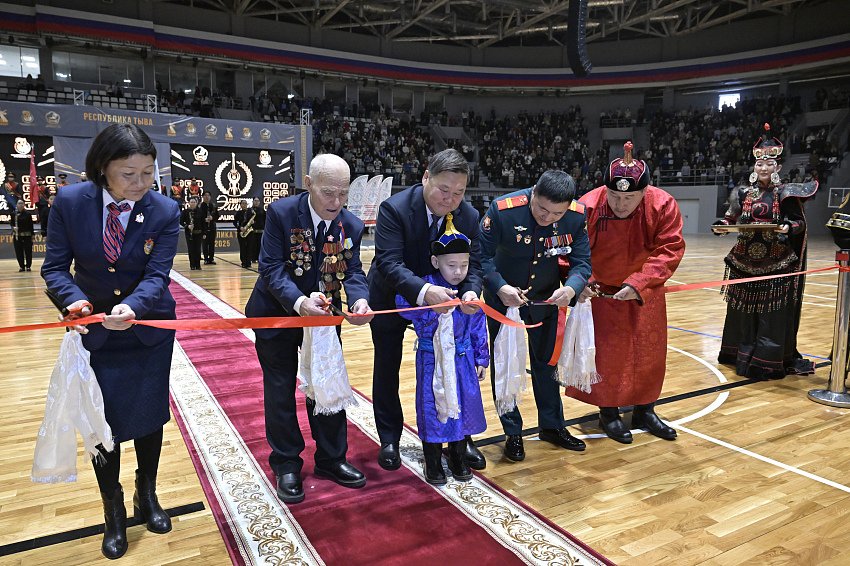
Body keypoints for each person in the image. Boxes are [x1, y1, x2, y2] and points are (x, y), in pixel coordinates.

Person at [40, 123, 180, 559]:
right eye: (128, 174)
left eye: (148, 173)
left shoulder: (164, 210)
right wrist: (76, 302)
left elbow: (157, 275)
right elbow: (55, 269)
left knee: (150, 417)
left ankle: (146, 494)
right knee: (105, 425)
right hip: (96, 331)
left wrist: (133, 306)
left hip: (148, 329)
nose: (140, 184)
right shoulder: (70, 203)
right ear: (102, 169)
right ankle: (113, 510)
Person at [244, 154, 374, 504]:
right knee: (280, 388)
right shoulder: (282, 213)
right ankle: (286, 463)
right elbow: (271, 268)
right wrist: (299, 302)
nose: (336, 201)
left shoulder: (350, 224)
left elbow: (354, 271)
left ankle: (332, 458)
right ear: (308, 183)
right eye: (328, 192)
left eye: (343, 193)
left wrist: (360, 300)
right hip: (278, 315)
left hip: (324, 320)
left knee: (327, 384)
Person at [368, 148, 486, 472]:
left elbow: (475, 265)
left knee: (458, 369)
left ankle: (462, 436)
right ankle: (390, 438)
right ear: (425, 178)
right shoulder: (394, 209)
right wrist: (423, 291)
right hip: (393, 298)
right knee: (387, 367)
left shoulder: (468, 216)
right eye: (444, 190)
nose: (450, 200)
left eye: (459, 192)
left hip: (447, 306)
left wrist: (471, 291)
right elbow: (389, 263)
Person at [568, 142, 685, 444]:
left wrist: (639, 282)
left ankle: (645, 409)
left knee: (649, 353)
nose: (620, 205)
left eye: (629, 198)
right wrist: (583, 281)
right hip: (601, 293)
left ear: (645, 191)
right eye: (615, 196)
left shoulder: (662, 204)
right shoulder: (588, 206)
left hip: (645, 292)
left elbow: (669, 249)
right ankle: (608, 412)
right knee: (606, 356)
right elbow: (573, 250)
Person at [480, 170, 591, 461]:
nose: (547, 217)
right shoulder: (504, 211)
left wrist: (572, 288)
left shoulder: (576, 216)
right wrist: (499, 286)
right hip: (503, 301)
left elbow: (582, 262)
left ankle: (552, 426)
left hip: (547, 300)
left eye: (557, 213)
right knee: (506, 364)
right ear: (533, 193)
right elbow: (481, 256)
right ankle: (512, 432)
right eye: (542, 208)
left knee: (547, 364)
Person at [712, 124, 818, 380]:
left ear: (777, 167)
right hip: (743, 260)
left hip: (776, 261)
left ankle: (766, 360)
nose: (763, 168)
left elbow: (799, 223)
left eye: (769, 164)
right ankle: (738, 353)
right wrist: (722, 226)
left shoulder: (786, 193)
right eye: (759, 164)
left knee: (772, 314)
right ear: (754, 167)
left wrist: (787, 227)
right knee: (741, 312)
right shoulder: (742, 192)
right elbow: (730, 217)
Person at [396, 216, 489, 485]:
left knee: (463, 403)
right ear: (436, 262)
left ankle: (457, 455)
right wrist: (426, 299)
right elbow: (402, 305)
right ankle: (433, 458)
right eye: (451, 265)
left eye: (464, 265)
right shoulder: (427, 286)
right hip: (432, 359)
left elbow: (478, 325)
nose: (458, 272)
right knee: (432, 406)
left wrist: (481, 357)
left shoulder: (468, 291)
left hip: (463, 358)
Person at [180, 197, 204, 270]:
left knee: (198, 249)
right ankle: (192, 265)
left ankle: (198, 265)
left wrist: (204, 232)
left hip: (198, 233)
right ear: (189, 203)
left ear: (196, 203)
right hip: (189, 233)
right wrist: (187, 226)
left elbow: (203, 223)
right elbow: (181, 221)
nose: (193, 203)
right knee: (191, 249)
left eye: (194, 202)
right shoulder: (185, 212)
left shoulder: (200, 211)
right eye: (191, 202)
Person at [10, 199, 34, 271]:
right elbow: (11, 223)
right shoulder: (13, 214)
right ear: (16, 205)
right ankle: (21, 266)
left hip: (27, 236)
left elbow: (31, 225)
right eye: (19, 203)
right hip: (17, 236)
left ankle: (28, 266)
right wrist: (13, 228)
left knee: (28, 251)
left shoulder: (28, 214)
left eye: (21, 203)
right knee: (19, 252)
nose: (20, 205)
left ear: (24, 205)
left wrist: (32, 235)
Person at [234, 199, 256, 268]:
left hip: (249, 231)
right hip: (241, 231)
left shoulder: (250, 212)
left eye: (245, 203)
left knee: (250, 247)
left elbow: (255, 221)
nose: (244, 205)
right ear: (240, 205)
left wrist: (253, 222)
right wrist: (240, 227)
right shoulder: (238, 213)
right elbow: (235, 222)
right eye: (243, 203)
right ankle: (243, 262)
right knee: (242, 247)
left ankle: (248, 262)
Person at [199, 191, 219, 265]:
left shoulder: (213, 206)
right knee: (205, 244)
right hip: (204, 228)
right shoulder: (200, 206)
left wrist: (212, 218)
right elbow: (198, 217)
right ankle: (206, 259)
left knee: (211, 244)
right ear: (203, 197)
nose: (207, 197)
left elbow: (217, 216)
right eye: (205, 195)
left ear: (210, 197)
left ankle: (211, 258)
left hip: (212, 227)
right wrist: (204, 219)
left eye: (208, 195)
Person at [251, 196, 266, 263]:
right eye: (255, 201)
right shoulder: (250, 210)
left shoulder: (262, 210)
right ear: (253, 202)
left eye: (258, 201)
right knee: (253, 246)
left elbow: (265, 220)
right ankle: (253, 258)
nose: (256, 202)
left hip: (261, 231)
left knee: (260, 246)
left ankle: (260, 258)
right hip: (252, 231)